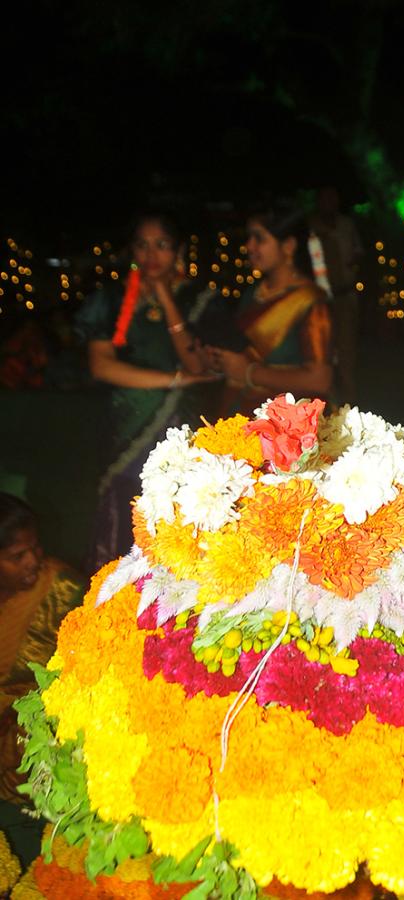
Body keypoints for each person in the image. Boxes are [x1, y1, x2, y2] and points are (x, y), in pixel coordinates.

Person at [76, 213, 217, 571]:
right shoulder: (109, 300)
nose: (151, 254)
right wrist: (174, 379)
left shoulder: (198, 299)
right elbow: (101, 366)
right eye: (142, 244)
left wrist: (167, 300)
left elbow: (200, 368)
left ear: (179, 250)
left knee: (180, 514)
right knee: (126, 514)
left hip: (184, 424)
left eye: (162, 245)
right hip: (127, 424)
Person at [0, 494, 84, 869]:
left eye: (35, 548)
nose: (34, 560)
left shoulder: (62, 590)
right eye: (18, 556)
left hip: (36, 750)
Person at [207, 204, 333, 411]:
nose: (249, 245)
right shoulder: (254, 292)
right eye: (249, 238)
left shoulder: (310, 301)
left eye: (260, 238)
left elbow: (320, 380)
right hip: (238, 408)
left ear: (288, 246)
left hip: (283, 423)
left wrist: (248, 372)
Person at [309, 186, 363, 404]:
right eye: (325, 198)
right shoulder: (311, 227)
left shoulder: (346, 225)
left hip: (345, 295)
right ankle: (324, 401)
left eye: (334, 198)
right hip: (319, 299)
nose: (330, 203)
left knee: (347, 350)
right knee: (322, 350)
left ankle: (349, 403)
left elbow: (359, 252)